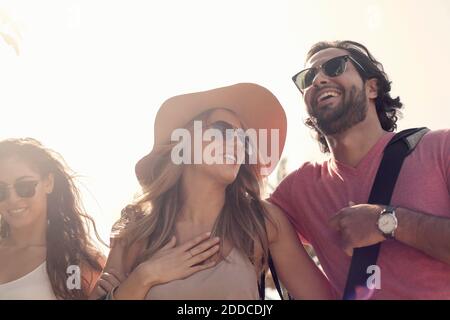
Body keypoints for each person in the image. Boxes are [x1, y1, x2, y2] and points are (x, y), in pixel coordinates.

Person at [90, 83, 334, 300]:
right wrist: (145, 275)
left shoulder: (261, 222)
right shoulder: (137, 227)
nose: (237, 142)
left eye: (244, 138)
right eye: (223, 129)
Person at [269, 40, 450, 299]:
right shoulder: (298, 189)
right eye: (308, 76)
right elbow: (236, 221)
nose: (318, 79)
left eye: (334, 67)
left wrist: (387, 222)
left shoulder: (439, 147)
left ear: (372, 87)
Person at [0, 138, 105, 299]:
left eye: (25, 186)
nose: (12, 199)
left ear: (48, 183)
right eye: (1, 190)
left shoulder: (76, 261)